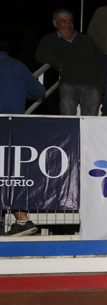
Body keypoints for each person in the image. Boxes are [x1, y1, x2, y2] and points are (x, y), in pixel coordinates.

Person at [0, 51, 45, 236]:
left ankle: (23, 220)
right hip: (13, 128)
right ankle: (23, 219)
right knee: (10, 173)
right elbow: (39, 92)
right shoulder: (16, 65)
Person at [35, 8, 107, 116]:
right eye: (63, 20)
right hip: (69, 81)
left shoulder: (85, 39)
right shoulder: (50, 39)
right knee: (67, 114)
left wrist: (100, 75)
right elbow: (40, 55)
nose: (67, 23)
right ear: (55, 23)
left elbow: (102, 58)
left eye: (70, 21)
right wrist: (58, 63)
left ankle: (86, 134)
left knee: (90, 119)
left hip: (93, 83)